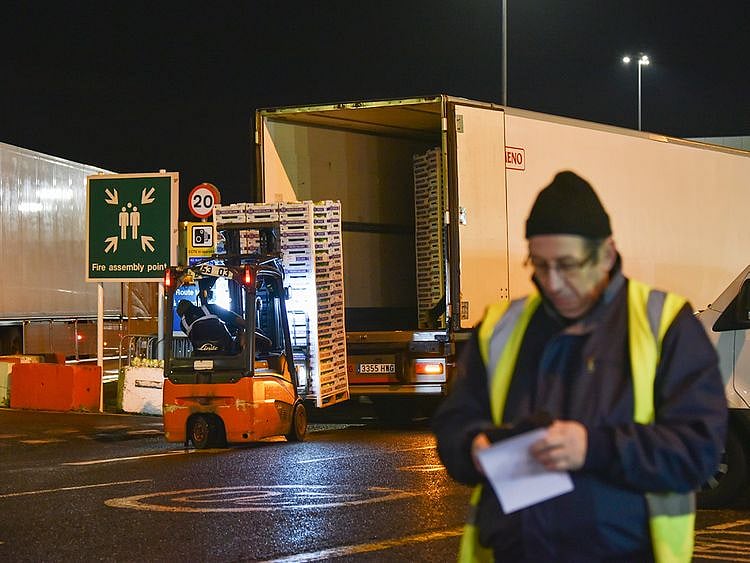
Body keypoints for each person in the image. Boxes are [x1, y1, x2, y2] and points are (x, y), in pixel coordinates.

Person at [432, 171, 727, 562]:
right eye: (539, 264)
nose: (552, 282)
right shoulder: (503, 327)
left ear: (606, 253)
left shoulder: (664, 324)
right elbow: (455, 420)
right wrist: (471, 445)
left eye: (567, 265)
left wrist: (594, 447)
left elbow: (698, 448)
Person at [176, 299, 245, 354]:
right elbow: (233, 318)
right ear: (193, 305)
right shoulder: (210, 308)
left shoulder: (183, 324)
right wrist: (248, 326)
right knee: (242, 333)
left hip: (201, 355)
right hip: (227, 351)